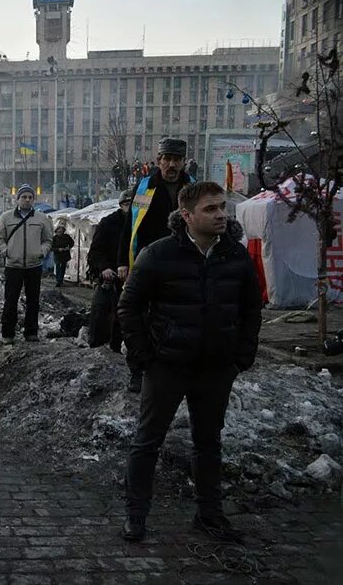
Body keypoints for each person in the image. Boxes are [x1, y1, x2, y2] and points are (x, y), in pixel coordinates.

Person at [117, 181, 261, 544]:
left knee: (208, 442)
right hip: (167, 366)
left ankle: (209, 515)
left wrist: (241, 357)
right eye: (210, 209)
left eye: (223, 207)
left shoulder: (236, 256)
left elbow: (251, 310)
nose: (221, 215)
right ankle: (136, 516)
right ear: (187, 215)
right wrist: (144, 357)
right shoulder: (159, 254)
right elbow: (128, 307)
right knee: (148, 441)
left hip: (216, 368)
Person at [117, 138, 193, 280]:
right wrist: (123, 262)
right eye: (167, 159)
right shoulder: (145, 189)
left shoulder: (192, 188)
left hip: (185, 259)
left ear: (183, 162)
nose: (172, 164)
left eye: (177, 160)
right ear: (159, 161)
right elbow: (132, 224)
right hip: (150, 257)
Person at [0, 184, 53, 344]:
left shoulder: (41, 218)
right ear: (17, 199)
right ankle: (8, 333)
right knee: (10, 301)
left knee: (33, 301)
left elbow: (48, 239)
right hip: (13, 266)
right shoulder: (6, 217)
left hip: (34, 266)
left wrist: (42, 252)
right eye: (24, 197)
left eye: (30, 197)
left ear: (33, 199)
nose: (27, 200)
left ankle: (31, 333)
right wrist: (6, 251)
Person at [86, 189, 136, 368]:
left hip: (136, 278)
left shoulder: (142, 225)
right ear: (122, 205)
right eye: (128, 205)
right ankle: (98, 350)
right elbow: (96, 251)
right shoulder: (108, 223)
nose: (130, 209)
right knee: (103, 313)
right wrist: (104, 268)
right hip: (112, 277)